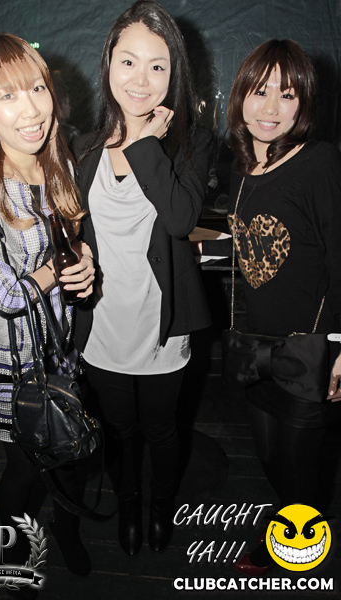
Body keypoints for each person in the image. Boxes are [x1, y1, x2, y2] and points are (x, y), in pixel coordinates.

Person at [0, 33, 95, 594]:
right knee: (25, 465)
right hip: (12, 361)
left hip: (62, 347)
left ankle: (67, 530)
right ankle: (9, 552)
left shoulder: (57, 162)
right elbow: (7, 295)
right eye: (8, 96)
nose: (31, 109)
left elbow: (70, 243)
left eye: (36, 88)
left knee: (70, 454)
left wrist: (84, 262)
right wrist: (58, 269)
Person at [71, 0, 213, 557]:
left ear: (174, 73)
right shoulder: (83, 148)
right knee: (119, 431)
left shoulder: (192, 143)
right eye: (128, 61)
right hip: (102, 326)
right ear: (108, 63)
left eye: (158, 66)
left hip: (161, 327)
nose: (141, 78)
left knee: (162, 431)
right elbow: (70, 227)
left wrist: (144, 142)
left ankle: (160, 508)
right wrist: (73, 254)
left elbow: (179, 219)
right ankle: (128, 508)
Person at [200, 38, 341, 574]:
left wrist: (340, 349)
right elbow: (247, 244)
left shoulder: (320, 162)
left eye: (287, 94)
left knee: (299, 467)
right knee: (269, 457)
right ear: (241, 95)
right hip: (254, 344)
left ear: (304, 103)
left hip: (308, 351)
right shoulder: (242, 167)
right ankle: (296, 519)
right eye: (260, 91)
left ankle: (296, 550)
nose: (271, 107)